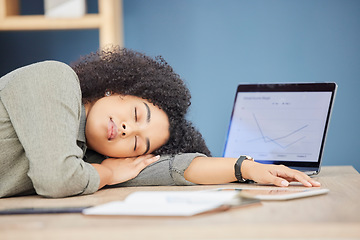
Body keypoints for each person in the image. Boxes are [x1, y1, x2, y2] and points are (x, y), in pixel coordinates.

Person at [0, 47, 320, 198]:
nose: (128, 130)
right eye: (138, 114)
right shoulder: (53, 79)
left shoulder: (87, 158)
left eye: (137, 144)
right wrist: (110, 172)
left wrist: (246, 168)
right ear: (119, 89)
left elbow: (166, 167)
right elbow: (59, 180)